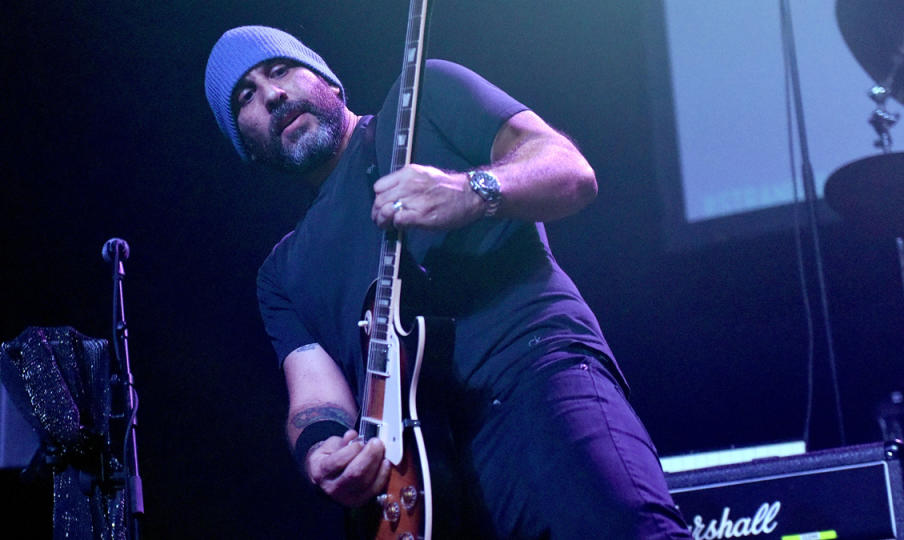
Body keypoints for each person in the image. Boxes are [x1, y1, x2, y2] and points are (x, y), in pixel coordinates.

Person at [204, 25, 691, 539]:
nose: (273, 93)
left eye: (280, 70)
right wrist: (321, 451)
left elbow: (570, 171)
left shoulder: (424, 98)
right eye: (246, 97)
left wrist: (473, 190)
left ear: (330, 82)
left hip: (533, 385)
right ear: (248, 149)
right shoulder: (282, 274)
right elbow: (315, 399)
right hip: (417, 477)